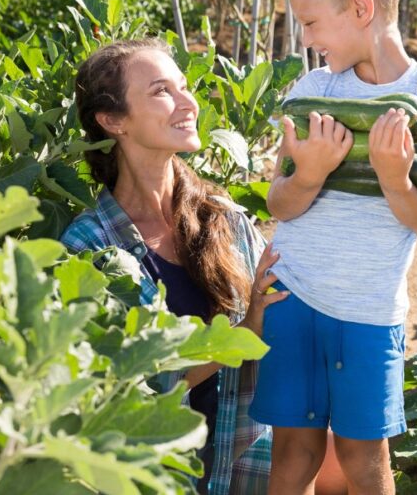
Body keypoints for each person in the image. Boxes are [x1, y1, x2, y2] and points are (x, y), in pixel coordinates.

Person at [247, 0, 417, 493]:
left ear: (361, 8)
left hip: (367, 309)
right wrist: (311, 173)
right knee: (293, 452)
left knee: (366, 457)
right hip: (291, 296)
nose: (309, 40)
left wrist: (396, 178)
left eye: (312, 23)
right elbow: (278, 203)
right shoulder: (313, 90)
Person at [60, 38, 290, 495]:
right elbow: (124, 391)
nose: (189, 102)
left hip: (242, 458)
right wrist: (246, 330)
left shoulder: (224, 218)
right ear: (113, 121)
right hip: (156, 475)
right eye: (162, 91)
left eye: (185, 87)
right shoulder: (89, 248)